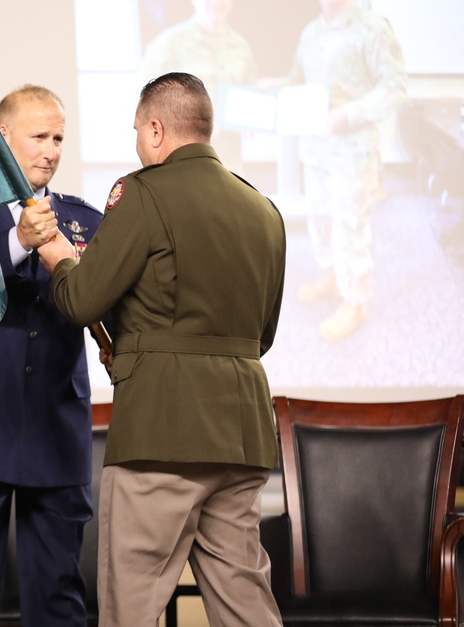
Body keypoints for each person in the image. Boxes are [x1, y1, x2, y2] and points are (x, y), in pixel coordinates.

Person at [38, 72, 286, 627]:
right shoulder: (263, 208)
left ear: (156, 129)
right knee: (245, 602)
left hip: (161, 431)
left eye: (135, 131)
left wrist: (59, 256)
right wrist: (136, 342)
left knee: (133, 603)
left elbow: (81, 300)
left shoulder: (142, 193)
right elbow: (260, 336)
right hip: (241, 433)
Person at [0, 84, 104, 626]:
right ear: (2, 137)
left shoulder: (85, 220)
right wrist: (20, 243)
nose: (51, 149)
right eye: (39, 136)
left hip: (55, 427)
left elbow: (98, 303)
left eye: (58, 137)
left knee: (58, 591)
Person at [261, 0, 406, 340]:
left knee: (351, 224)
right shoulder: (312, 32)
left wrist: (347, 114)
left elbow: (394, 85)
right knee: (321, 218)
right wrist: (276, 85)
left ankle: (355, 301)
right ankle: (332, 272)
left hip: (352, 150)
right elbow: (299, 79)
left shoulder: (372, 27)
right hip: (317, 149)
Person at [139, 0, 257, 173]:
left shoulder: (241, 47)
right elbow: (147, 104)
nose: (217, 0)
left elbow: (250, 93)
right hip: (182, 161)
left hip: (228, 164)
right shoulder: (168, 44)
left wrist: (251, 120)